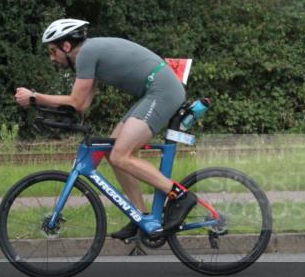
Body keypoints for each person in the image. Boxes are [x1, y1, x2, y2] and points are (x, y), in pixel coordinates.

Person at [14, 19, 198, 239]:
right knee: (113, 152)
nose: (51, 57)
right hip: (154, 92)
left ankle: (180, 195)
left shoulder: (86, 54)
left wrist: (34, 97)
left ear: (66, 46)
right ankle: (141, 217)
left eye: (53, 50)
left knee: (121, 154)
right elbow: (82, 105)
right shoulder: (89, 55)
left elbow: (75, 100)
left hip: (162, 91)